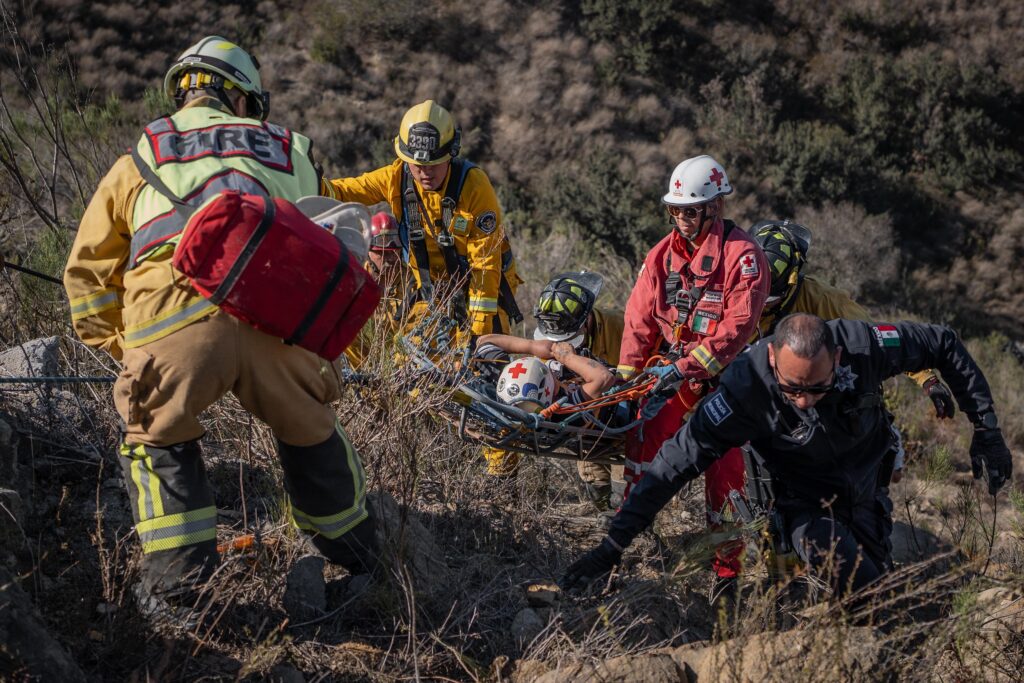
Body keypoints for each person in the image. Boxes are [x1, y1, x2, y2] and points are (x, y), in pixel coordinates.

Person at [63, 36, 377, 621]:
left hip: (171, 318)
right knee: (310, 431)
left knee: (158, 438)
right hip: (278, 318)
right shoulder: (295, 148)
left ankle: (178, 597)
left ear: (184, 90)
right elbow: (329, 242)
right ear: (243, 96)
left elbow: (87, 273)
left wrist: (127, 349)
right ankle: (362, 560)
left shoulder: (142, 154)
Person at [561, 314, 1012, 599]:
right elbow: (672, 466)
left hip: (866, 481)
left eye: (817, 388)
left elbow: (944, 343)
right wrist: (613, 544)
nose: (803, 401)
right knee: (853, 575)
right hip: (803, 500)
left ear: (836, 357)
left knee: (873, 579)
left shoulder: (865, 344)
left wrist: (986, 429)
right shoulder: (744, 389)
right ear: (773, 358)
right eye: (791, 388)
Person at [618, 155, 769, 581]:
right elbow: (638, 324)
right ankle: (628, 540)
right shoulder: (661, 257)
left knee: (725, 473)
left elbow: (736, 330)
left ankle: (727, 575)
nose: (682, 219)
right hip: (672, 376)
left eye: (691, 210)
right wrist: (629, 385)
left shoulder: (743, 257)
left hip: (727, 382)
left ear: (715, 207)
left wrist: (685, 366)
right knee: (642, 440)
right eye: (676, 210)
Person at [751, 219, 956, 482]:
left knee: (889, 471)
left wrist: (927, 379)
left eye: (769, 299)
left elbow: (882, 337)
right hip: (769, 397)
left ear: (790, 281)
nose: (759, 305)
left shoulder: (824, 300)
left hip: (832, 394)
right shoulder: (733, 291)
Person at [323, 100, 523, 338]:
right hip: (431, 292)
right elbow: (343, 191)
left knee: (481, 362)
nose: (425, 172)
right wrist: (305, 180)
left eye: (434, 164)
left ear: (450, 155)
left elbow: (485, 263)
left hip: (483, 291)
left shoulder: (474, 187)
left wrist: (481, 333)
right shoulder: (395, 178)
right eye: (417, 165)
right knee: (414, 363)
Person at [476, 272, 625, 493]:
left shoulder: (512, 387)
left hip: (606, 408)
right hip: (612, 419)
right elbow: (603, 378)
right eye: (547, 371)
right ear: (548, 390)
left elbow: (484, 342)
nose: (551, 366)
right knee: (601, 471)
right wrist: (567, 357)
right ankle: (611, 507)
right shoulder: (566, 407)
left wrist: (533, 347)